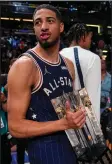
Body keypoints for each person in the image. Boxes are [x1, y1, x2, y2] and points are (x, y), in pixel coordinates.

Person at [7, 4, 86, 164]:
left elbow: (68, 109)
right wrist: (63, 124)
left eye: (50, 21)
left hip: (72, 150)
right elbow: (15, 126)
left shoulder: (68, 64)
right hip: (46, 155)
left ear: (61, 26)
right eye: (37, 22)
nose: (43, 27)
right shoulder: (25, 65)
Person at [60, 21, 101, 122]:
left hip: (61, 119)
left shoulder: (58, 55)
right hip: (83, 120)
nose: (90, 42)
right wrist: (95, 126)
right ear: (83, 37)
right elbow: (91, 97)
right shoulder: (93, 58)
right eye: (89, 38)